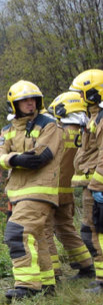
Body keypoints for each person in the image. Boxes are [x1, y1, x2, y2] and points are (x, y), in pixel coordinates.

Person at [0, 81, 64, 301]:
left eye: (33, 99)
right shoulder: (9, 129)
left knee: (17, 232)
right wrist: (15, 158)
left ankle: (26, 286)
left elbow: (39, 158)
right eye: (24, 100)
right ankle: (46, 286)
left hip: (40, 192)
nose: (30, 103)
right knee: (38, 238)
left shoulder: (49, 125)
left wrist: (11, 159)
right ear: (14, 104)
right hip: (19, 193)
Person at [45, 92, 94, 280]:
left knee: (45, 231)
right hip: (68, 192)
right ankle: (86, 265)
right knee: (66, 228)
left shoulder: (58, 133)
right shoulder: (86, 132)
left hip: (50, 191)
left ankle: (52, 273)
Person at [71, 69, 103, 292]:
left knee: (95, 233)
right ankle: (101, 278)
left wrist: (96, 185)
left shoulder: (101, 118)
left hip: (97, 186)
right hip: (91, 185)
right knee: (92, 232)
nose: (80, 98)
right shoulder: (94, 116)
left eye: (82, 94)